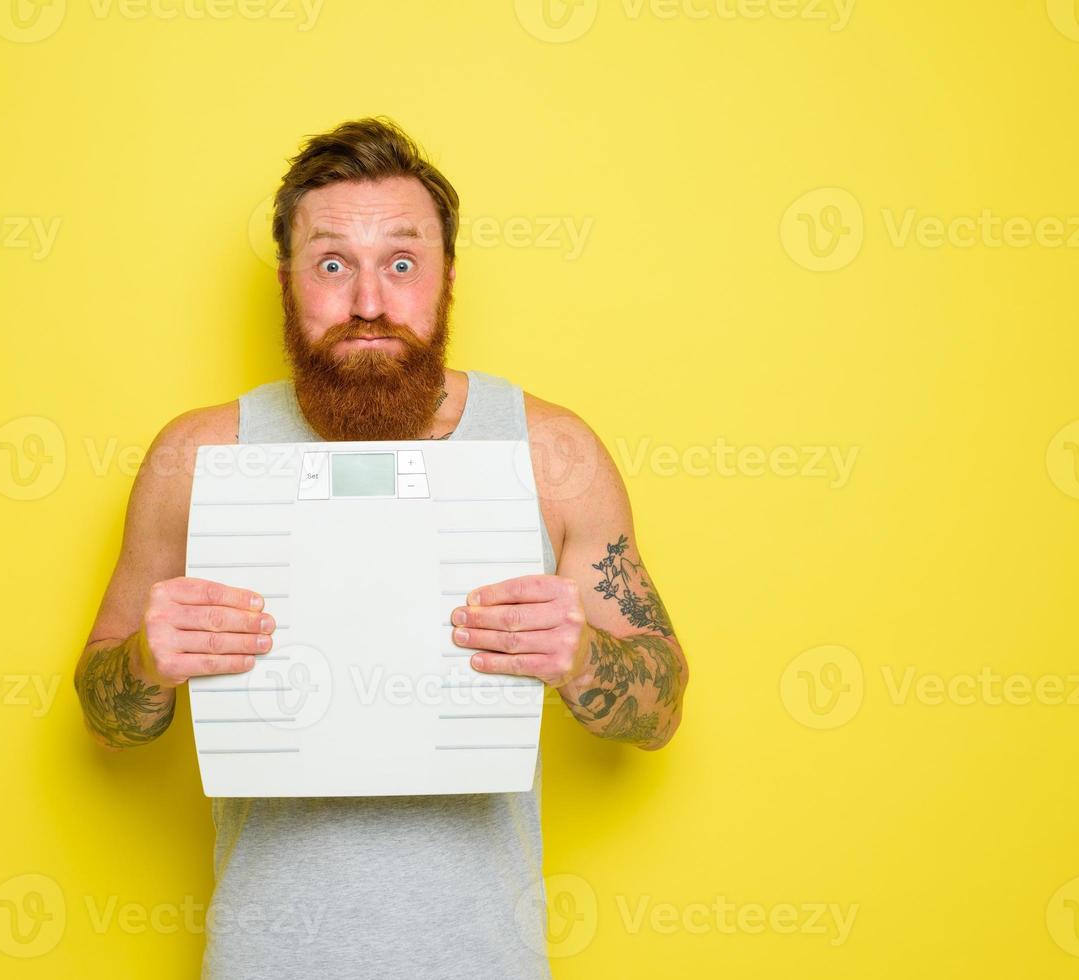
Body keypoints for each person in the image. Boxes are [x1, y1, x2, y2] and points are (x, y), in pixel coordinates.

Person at [74, 116, 689, 980]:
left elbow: (658, 713)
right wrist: (146, 660)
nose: (368, 299)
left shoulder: (551, 452)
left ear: (445, 279)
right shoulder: (198, 456)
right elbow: (106, 724)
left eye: (401, 263)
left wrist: (580, 655)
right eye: (332, 264)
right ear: (289, 281)